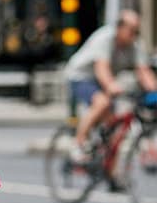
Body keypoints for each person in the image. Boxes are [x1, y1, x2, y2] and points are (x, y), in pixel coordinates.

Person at [66, 9, 157, 159]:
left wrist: (153, 90)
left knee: (115, 125)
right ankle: (78, 143)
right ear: (120, 27)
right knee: (101, 102)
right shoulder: (105, 38)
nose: (134, 34)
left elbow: (144, 72)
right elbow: (102, 69)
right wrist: (112, 86)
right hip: (81, 77)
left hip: (104, 81)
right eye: (131, 30)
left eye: (137, 30)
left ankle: (109, 170)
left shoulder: (135, 45)